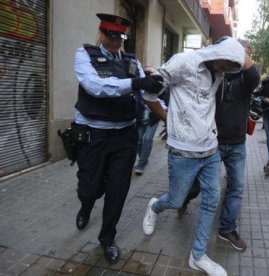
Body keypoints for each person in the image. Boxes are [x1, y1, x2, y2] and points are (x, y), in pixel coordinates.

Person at [141, 37, 249, 276]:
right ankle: (155, 207)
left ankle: (198, 255)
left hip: (211, 149)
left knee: (211, 200)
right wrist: (168, 118)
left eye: (233, 66)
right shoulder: (182, 62)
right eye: (227, 62)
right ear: (218, 52)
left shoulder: (220, 72)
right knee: (176, 201)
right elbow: (149, 95)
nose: (227, 69)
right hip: (182, 151)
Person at [72, 13, 163, 264]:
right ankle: (86, 205)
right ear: (101, 34)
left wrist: (158, 92)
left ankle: (107, 239)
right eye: (111, 36)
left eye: (120, 37)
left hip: (124, 134)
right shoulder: (84, 54)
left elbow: (146, 91)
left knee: (118, 191)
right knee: (89, 187)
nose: (115, 42)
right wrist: (136, 83)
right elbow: (95, 86)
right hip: (93, 133)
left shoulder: (132, 61)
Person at [178, 39, 261, 252]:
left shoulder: (246, 78)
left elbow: (255, 75)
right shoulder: (215, 72)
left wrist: (241, 53)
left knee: (236, 186)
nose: (243, 58)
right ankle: (183, 198)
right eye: (239, 54)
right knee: (197, 184)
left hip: (236, 144)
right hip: (211, 141)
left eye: (246, 55)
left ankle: (226, 228)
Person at [134, 66, 168, 175]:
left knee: (148, 139)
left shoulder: (160, 87)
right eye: (146, 72)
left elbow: (165, 103)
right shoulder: (139, 87)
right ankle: (143, 158)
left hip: (153, 118)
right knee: (139, 140)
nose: (149, 75)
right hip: (140, 119)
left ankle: (142, 164)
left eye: (151, 73)